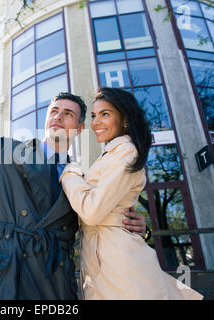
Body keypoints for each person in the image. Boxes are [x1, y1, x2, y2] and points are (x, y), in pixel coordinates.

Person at [0, 23, 148, 300]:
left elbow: (99, 224)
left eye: (68, 114)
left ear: (80, 128)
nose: (58, 116)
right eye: (54, 110)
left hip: (50, 285)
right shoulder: (5, 151)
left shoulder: (83, 179)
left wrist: (143, 229)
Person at [59, 87, 203, 299]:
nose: (96, 122)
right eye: (93, 116)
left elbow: (91, 211)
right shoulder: (109, 155)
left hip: (121, 267)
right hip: (105, 263)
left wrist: (70, 172)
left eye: (105, 114)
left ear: (125, 119)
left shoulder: (126, 151)